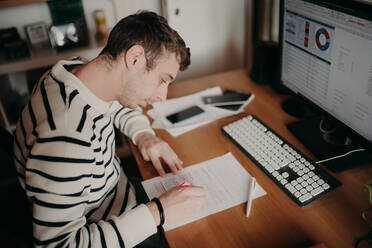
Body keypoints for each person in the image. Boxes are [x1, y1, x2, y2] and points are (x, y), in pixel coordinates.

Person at [13, 11, 206, 247]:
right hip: (107, 225)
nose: (161, 96)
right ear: (135, 58)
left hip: (117, 194)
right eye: (162, 80)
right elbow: (59, 244)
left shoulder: (74, 73)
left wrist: (144, 135)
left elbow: (116, 103)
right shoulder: (67, 140)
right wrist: (158, 213)